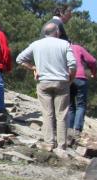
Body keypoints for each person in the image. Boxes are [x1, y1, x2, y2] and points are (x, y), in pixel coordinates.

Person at [16, 21, 78, 153]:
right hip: (61, 81)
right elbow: (73, 64)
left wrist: (34, 68)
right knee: (61, 114)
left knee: (47, 113)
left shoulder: (36, 44)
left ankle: (49, 142)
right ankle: (61, 146)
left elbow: (20, 59)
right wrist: (71, 78)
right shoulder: (64, 44)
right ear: (57, 32)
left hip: (43, 81)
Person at [66, 41, 97, 134]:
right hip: (80, 77)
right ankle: (77, 129)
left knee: (70, 105)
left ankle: (69, 129)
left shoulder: (61, 48)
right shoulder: (77, 47)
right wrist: (94, 73)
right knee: (81, 105)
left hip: (67, 77)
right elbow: (92, 61)